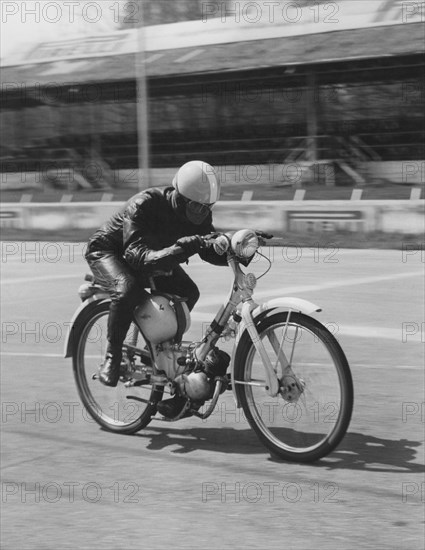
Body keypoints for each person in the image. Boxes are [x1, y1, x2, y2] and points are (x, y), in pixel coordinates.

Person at [85, 160, 228, 415]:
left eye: (207, 208)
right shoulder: (145, 204)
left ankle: (166, 360)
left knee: (188, 292)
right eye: (196, 207)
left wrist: (236, 246)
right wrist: (181, 248)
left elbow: (208, 248)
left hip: (153, 257)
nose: (201, 214)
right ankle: (112, 357)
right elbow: (135, 256)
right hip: (112, 252)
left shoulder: (199, 212)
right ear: (179, 197)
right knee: (128, 289)